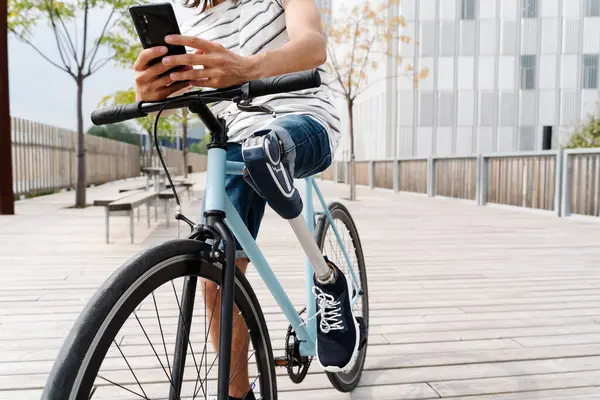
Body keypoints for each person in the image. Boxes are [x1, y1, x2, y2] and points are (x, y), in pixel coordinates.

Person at [133, 0, 358, 398]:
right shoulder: (189, 20)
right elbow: (186, 90)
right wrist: (151, 93)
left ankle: (328, 279)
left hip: (303, 119)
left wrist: (249, 67)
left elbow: (312, 44)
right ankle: (238, 396)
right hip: (234, 138)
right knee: (217, 274)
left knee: (272, 144)